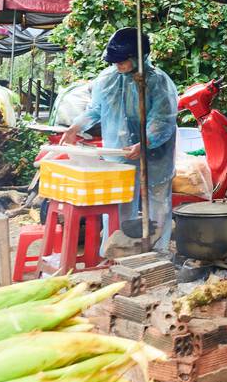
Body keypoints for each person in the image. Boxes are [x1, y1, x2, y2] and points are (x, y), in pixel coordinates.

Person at [62, 28, 179, 250]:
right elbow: (95, 109)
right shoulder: (107, 79)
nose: (118, 65)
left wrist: (145, 143)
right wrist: (76, 126)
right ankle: (116, 249)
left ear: (139, 57)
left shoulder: (158, 82)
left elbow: (163, 120)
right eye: (115, 61)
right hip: (119, 152)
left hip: (155, 155)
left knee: (158, 201)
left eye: (123, 61)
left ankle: (157, 251)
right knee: (119, 200)